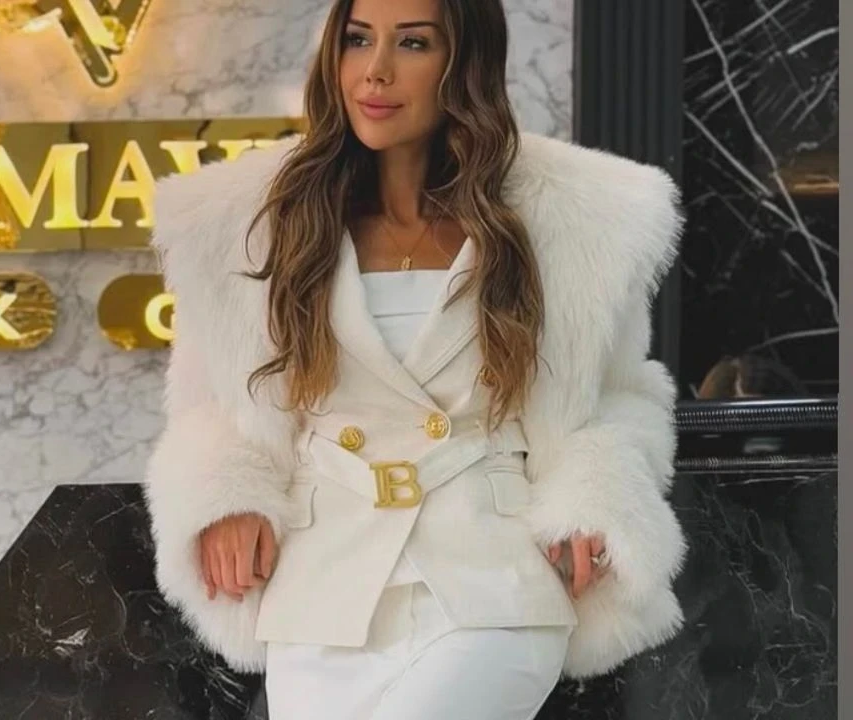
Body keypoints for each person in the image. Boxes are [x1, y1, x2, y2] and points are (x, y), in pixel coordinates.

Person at [142, 0, 688, 716]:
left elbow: (618, 395)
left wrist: (591, 495)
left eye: (413, 43)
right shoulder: (245, 223)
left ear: (465, 62)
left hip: (489, 585)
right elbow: (211, 402)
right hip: (323, 592)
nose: (375, 71)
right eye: (357, 39)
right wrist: (228, 494)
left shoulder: (575, 218)